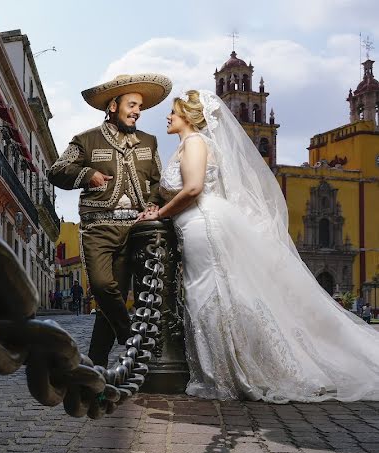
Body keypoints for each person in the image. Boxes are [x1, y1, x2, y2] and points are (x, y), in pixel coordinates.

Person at [138, 89, 379, 402]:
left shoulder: (196, 142)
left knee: (210, 295)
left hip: (202, 226)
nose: (168, 117)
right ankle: (230, 368)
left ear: (188, 115)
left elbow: (194, 188)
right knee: (215, 294)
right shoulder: (191, 144)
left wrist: (160, 213)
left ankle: (229, 373)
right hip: (196, 224)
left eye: (173, 111)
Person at [48, 73, 171, 366]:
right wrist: (87, 175)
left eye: (140, 105)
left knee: (109, 303)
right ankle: (127, 333)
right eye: (131, 104)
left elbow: (158, 183)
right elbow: (56, 171)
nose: (137, 111)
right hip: (98, 227)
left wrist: (153, 206)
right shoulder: (86, 140)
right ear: (113, 105)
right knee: (103, 287)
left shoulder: (149, 142)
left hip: (137, 230)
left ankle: (97, 365)